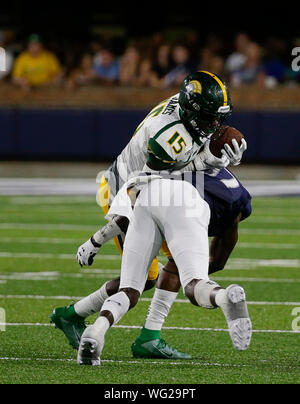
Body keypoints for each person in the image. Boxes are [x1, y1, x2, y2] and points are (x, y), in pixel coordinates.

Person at [51, 70, 247, 353]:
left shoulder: (187, 110)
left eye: (219, 117)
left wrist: (221, 152)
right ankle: (70, 316)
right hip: (124, 190)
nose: (215, 124)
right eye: (209, 117)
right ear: (192, 111)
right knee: (146, 278)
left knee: (176, 263)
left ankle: (148, 337)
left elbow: (194, 145)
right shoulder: (169, 135)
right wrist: (97, 240)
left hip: (156, 187)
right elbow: (141, 188)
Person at [51, 168, 252, 360]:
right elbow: (218, 258)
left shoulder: (187, 156)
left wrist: (96, 240)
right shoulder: (235, 197)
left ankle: (97, 332)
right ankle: (224, 298)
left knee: (130, 288)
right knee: (190, 281)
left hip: (146, 195)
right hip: (169, 198)